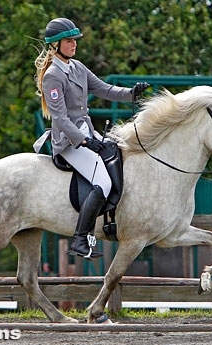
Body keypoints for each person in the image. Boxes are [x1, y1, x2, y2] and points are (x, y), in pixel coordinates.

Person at [34, 18, 149, 260]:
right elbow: (61, 119)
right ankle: (79, 239)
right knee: (103, 183)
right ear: (55, 46)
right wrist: (85, 142)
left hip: (88, 132)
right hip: (69, 142)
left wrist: (131, 94)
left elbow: (105, 89)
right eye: (69, 41)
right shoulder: (52, 76)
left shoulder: (77, 67)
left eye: (74, 40)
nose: (74, 44)